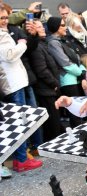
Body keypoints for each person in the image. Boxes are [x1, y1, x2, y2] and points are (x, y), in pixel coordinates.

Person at [0, 5, 43, 171]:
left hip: (17, 81)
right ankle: (21, 159)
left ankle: (22, 157)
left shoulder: (4, 31)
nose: (4, 21)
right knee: (19, 122)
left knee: (23, 121)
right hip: (12, 83)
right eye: (1, 18)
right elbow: (10, 55)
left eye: (5, 17)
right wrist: (23, 43)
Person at [46, 16, 86, 128]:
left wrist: (82, 71)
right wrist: (81, 73)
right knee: (75, 113)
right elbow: (65, 63)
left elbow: (77, 58)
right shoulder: (53, 43)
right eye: (63, 25)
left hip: (74, 77)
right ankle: (79, 138)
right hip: (67, 81)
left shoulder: (62, 40)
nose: (66, 28)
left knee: (81, 110)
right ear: (56, 27)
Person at [29, 20, 62, 142]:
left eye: (42, 26)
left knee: (55, 121)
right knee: (53, 123)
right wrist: (54, 84)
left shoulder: (42, 44)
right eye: (38, 27)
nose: (42, 28)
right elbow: (41, 70)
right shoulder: (36, 47)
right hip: (46, 90)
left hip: (49, 89)